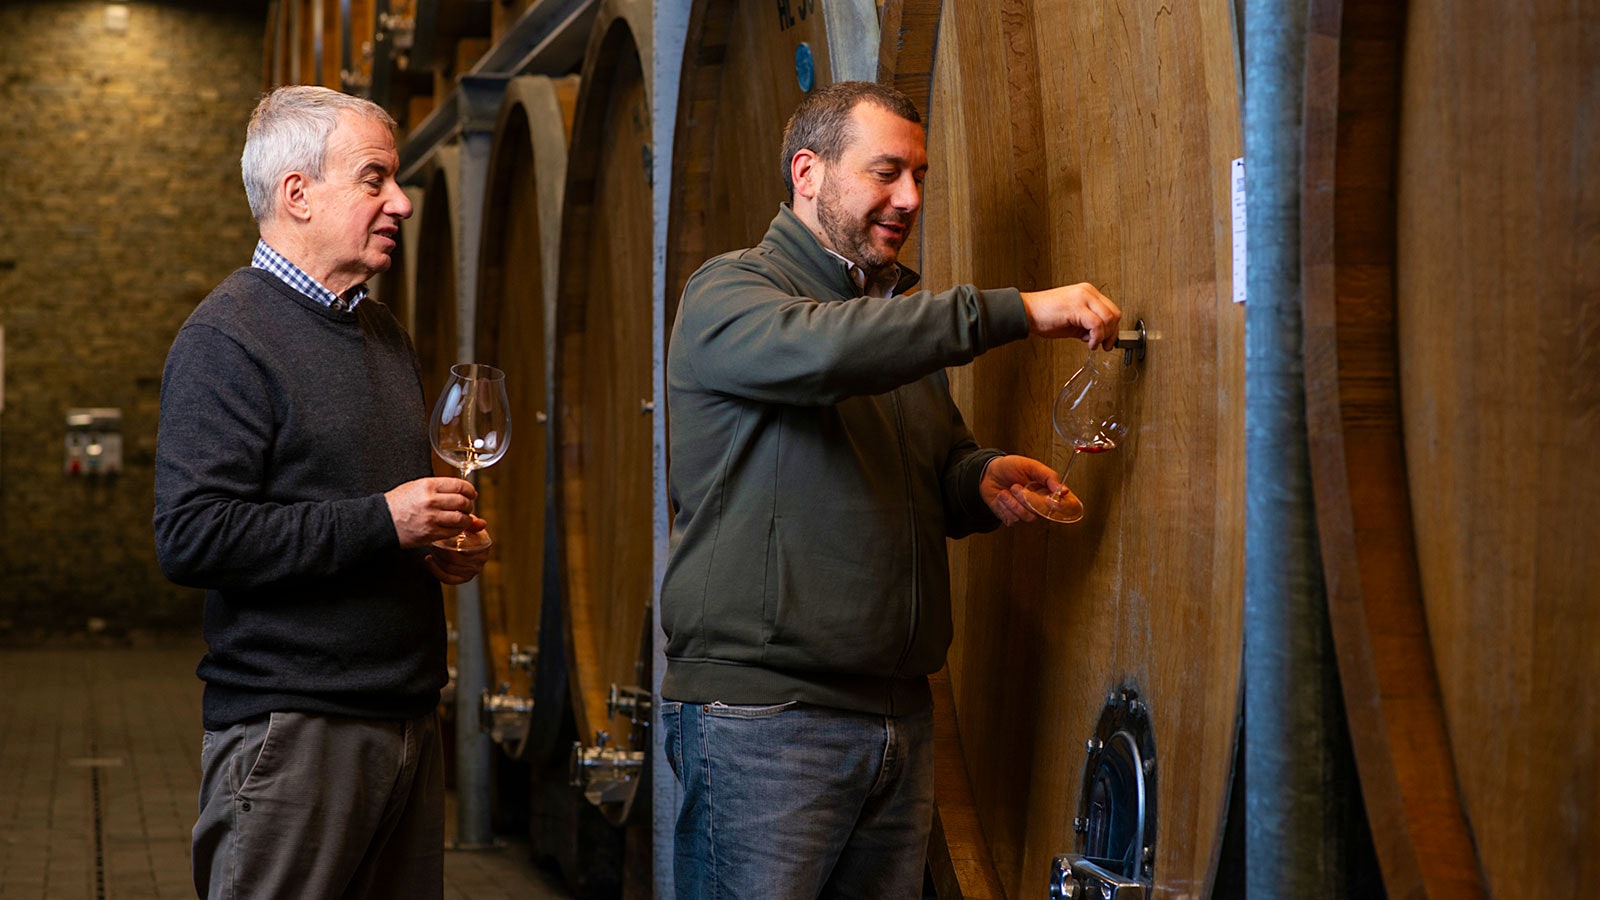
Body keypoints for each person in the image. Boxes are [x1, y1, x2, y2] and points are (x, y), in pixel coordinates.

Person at [659, 80, 1123, 898]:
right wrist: (1015, 311)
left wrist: (979, 480)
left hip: (896, 718)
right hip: (767, 722)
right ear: (808, 173)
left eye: (919, 176)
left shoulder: (886, 320)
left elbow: (930, 467)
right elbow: (829, 352)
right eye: (885, 173)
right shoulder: (730, 295)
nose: (909, 198)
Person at [153, 85, 489, 900]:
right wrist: (386, 522)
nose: (401, 202)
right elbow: (193, 537)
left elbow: (370, 511)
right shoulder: (226, 337)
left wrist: (438, 547)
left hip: (407, 717)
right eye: (375, 179)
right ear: (296, 194)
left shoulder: (381, 333)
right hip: (295, 732)